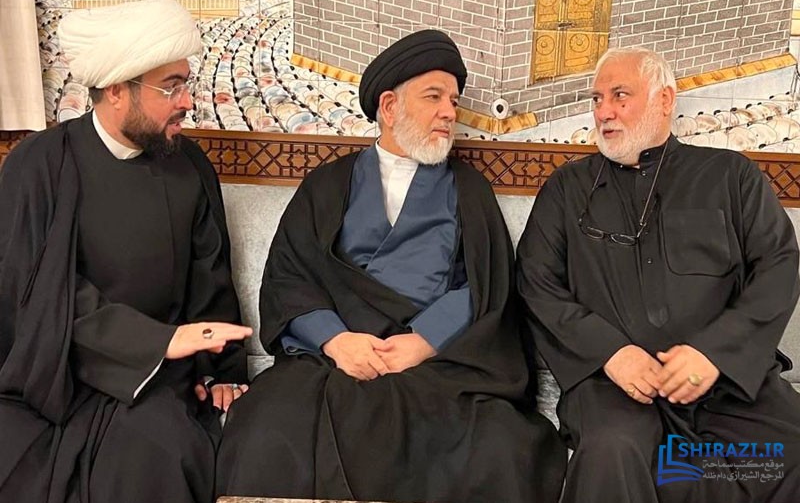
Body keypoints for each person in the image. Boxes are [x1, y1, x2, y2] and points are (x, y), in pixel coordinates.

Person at [216, 29, 566, 503]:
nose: (450, 112)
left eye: (454, 101)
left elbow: (486, 287)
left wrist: (424, 341)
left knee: (501, 446)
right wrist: (336, 341)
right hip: (335, 358)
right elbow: (290, 276)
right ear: (389, 106)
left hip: (437, 363)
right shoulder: (327, 184)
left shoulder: (468, 189)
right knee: (267, 423)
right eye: (434, 97)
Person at [516, 46, 800, 503]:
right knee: (613, 452)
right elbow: (536, 283)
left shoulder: (730, 176)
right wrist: (611, 353)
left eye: (620, 95)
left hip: (726, 384)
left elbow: (779, 265)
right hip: (615, 387)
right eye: (596, 99)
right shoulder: (567, 190)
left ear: (664, 99)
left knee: (787, 452)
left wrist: (714, 353)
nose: (603, 111)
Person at [0, 0, 252, 503]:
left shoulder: (190, 166)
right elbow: (35, 293)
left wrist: (219, 371)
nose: (187, 102)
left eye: (186, 84)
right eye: (171, 87)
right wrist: (154, 342)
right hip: (53, 373)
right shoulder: (39, 164)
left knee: (159, 452)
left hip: (157, 379)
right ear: (116, 90)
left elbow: (210, 279)